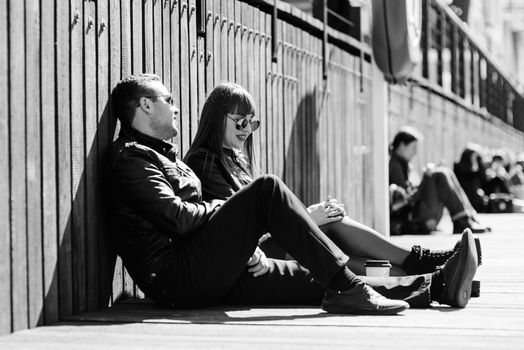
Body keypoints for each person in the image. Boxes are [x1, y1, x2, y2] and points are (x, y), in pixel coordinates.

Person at [110, 74, 478, 317]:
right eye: (167, 99)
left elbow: (195, 219)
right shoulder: (132, 157)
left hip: (208, 267)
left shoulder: (163, 157)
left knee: (313, 279)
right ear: (145, 105)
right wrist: (239, 228)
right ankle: (367, 283)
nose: (175, 106)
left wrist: (239, 241)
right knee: (269, 189)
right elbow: (177, 216)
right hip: (177, 277)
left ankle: (436, 284)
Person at [184, 81, 482, 277]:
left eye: (253, 122)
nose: (248, 128)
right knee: (329, 228)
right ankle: (425, 264)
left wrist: (312, 214)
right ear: (216, 118)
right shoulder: (203, 161)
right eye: (241, 121)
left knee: (332, 230)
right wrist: (309, 215)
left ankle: (426, 275)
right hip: (247, 259)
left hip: (265, 246)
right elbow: (232, 227)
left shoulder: (236, 159)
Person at [389, 127, 490, 235]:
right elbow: (405, 201)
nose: (415, 152)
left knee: (445, 172)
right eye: (413, 147)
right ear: (401, 146)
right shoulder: (395, 166)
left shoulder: (404, 164)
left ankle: (467, 217)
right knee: (439, 174)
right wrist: (426, 178)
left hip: (419, 214)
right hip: (413, 219)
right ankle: (462, 221)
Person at [454, 145, 489, 212]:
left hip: (476, 195)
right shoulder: (458, 166)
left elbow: (484, 179)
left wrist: (479, 162)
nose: (475, 159)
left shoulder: (478, 167)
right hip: (464, 194)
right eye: (474, 157)